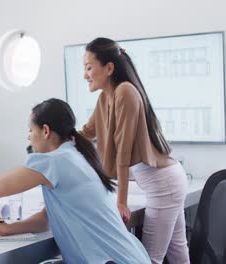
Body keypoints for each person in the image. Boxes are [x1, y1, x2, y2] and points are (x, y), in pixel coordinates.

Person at [0, 98, 150, 264]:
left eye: (30, 130)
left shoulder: (54, 161)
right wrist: (9, 229)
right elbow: (46, 220)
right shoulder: (77, 156)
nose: (29, 136)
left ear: (46, 131)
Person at [80, 37, 189, 263]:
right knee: (178, 256)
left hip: (163, 184)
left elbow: (124, 151)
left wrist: (121, 202)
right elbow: (87, 133)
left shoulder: (125, 92)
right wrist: (56, 137)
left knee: (149, 259)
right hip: (165, 181)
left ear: (109, 68)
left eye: (89, 67)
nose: (85, 75)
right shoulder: (105, 98)